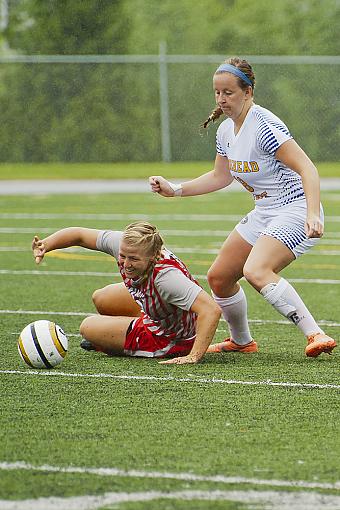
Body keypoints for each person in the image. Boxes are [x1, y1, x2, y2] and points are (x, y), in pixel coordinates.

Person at [149, 56, 337, 358]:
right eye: (217, 92)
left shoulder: (264, 125)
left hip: (295, 209)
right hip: (265, 212)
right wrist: (176, 189)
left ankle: (315, 333)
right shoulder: (225, 131)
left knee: (256, 270)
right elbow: (220, 177)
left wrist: (313, 213)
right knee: (219, 277)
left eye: (229, 92)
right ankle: (241, 341)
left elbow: (307, 168)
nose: (221, 99)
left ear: (248, 92)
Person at [31, 221, 221, 364]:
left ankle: (118, 342)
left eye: (134, 259)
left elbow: (211, 310)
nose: (126, 263)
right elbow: (79, 235)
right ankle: (118, 335)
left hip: (169, 335)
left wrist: (193, 356)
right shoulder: (124, 243)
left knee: (87, 327)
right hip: (161, 310)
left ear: (154, 257)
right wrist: (46, 244)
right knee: (101, 297)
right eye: (123, 256)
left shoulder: (166, 278)